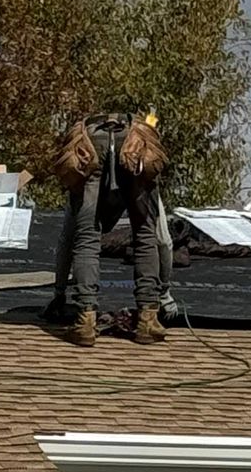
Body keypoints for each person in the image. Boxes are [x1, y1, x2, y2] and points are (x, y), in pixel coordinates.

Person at [48, 107, 169, 346]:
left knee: (86, 236)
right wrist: (164, 294)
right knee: (145, 234)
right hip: (136, 139)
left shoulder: (85, 126)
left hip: (89, 141)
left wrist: (59, 293)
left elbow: (66, 240)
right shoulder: (142, 125)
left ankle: (85, 321)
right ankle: (147, 319)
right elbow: (163, 241)